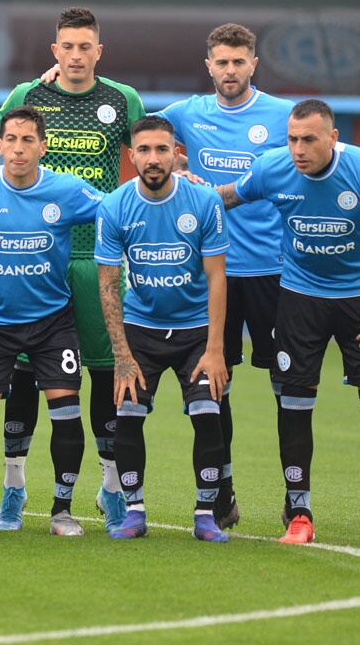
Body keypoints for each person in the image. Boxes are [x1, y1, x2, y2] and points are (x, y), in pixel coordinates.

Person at [0, 6, 144, 532]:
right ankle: (13, 487)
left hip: (92, 256)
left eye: (85, 46)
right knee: (25, 377)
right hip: (29, 259)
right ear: (55, 51)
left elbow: (144, 160)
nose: (75, 55)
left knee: (99, 373)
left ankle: (111, 484)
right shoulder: (27, 96)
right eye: (66, 47)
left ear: (100, 51)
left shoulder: (122, 100)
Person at [215, 99, 360, 548]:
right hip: (299, 298)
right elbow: (226, 198)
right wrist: (179, 196)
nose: (298, 149)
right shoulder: (272, 168)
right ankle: (300, 513)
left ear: (333, 137)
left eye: (309, 139)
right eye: (291, 139)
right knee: (294, 402)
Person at [153, 23, 295, 529]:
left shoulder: (282, 117)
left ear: (253, 64)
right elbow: (136, 129)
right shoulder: (187, 114)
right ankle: (222, 491)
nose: (230, 70)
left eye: (239, 61)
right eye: (221, 62)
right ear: (208, 64)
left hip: (275, 273)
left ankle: (295, 497)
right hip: (211, 274)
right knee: (214, 387)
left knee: (290, 389)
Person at [0, 106, 103, 536]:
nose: (18, 148)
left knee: (67, 416)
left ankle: (62, 511)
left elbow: (118, 212)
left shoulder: (67, 191)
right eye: (11, 139)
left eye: (27, 140)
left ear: (42, 146)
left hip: (53, 323)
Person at [95, 116, 231, 543]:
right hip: (141, 329)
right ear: (131, 155)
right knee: (128, 414)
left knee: (209, 415)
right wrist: (121, 357)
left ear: (176, 153)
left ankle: (206, 513)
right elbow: (109, 283)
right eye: (144, 150)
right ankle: (133, 511)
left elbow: (216, 278)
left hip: (195, 332)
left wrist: (215, 349)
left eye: (161, 149)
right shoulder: (114, 206)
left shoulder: (205, 202)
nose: (153, 159)